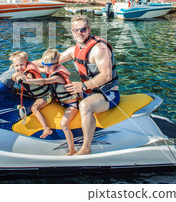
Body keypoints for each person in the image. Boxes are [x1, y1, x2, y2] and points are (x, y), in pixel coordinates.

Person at [59, 14, 119, 155]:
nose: (80, 33)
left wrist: (83, 86)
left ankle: (86, 148)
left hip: (107, 93)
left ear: (89, 30)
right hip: (89, 91)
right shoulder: (75, 49)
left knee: (85, 106)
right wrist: (24, 65)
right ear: (72, 32)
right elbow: (52, 61)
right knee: (61, 88)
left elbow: (107, 75)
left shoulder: (99, 48)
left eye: (83, 29)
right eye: (76, 30)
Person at [19, 49, 80, 155]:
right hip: (59, 101)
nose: (45, 68)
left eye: (48, 65)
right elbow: (35, 68)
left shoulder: (57, 76)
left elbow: (44, 81)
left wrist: (27, 81)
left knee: (64, 124)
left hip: (71, 104)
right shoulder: (50, 69)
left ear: (57, 64)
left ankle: (72, 150)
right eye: (44, 64)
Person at [10, 51, 54, 139]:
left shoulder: (29, 73)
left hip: (46, 95)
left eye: (22, 65)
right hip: (35, 94)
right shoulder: (20, 69)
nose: (19, 67)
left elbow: (29, 80)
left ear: (27, 63)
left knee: (34, 108)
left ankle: (46, 128)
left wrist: (18, 75)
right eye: (17, 66)